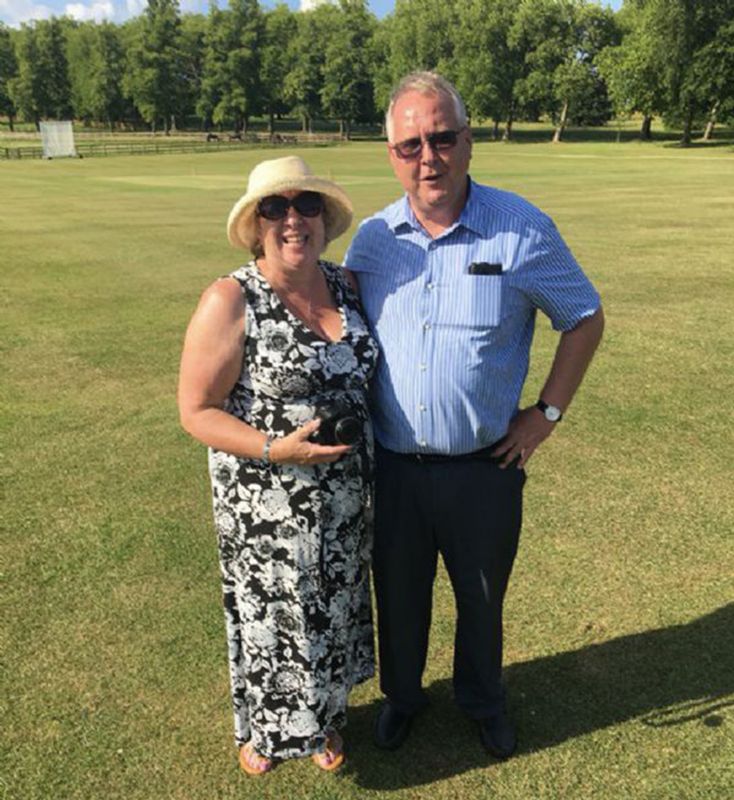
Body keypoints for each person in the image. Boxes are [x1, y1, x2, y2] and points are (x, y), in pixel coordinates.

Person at [344, 72, 605, 759]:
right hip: (395, 467)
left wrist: (546, 413)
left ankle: (483, 700)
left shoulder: (521, 228)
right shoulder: (372, 241)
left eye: (442, 137)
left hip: (485, 467)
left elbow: (583, 318)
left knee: (481, 600)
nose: (428, 157)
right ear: (391, 154)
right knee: (398, 597)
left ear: (469, 140)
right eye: (409, 145)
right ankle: (403, 697)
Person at [178, 156, 378, 775]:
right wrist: (274, 449)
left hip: (345, 501)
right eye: (276, 207)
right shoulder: (231, 298)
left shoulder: (349, 285)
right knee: (277, 619)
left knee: (333, 608)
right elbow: (197, 410)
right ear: (256, 223)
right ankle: (265, 733)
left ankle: (326, 721)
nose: (294, 219)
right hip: (268, 505)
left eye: (307, 205)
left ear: (325, 218)